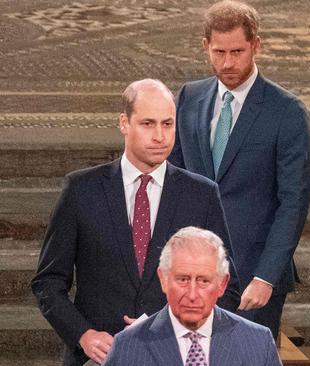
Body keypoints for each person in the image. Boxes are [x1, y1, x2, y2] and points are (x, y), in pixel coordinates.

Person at [31, 79, 240, 366]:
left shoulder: (201, 195)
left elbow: (227, 289)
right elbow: (48, 282)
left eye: (167, 124)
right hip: (96, 358)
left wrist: (173, 330)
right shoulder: (81, 190)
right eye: (147, 124)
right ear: (124, 123)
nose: (159, 136)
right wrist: (83, 335)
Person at [168, 0, 310, 340]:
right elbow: (173, 182)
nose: (228, 62)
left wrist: (266, 277)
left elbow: (294, 201)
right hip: (194, 277)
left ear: (256, 46)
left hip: (254, 279)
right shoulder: (189, 97)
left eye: (238, 51)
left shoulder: (287, 111)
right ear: (205, 46)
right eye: (219, 52)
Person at [104, 227, 281, 365]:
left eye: (204, 281)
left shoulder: (258, 342)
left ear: (222, 284)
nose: (192, 294)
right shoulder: (127, 345)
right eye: (183, 279)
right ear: (163, 280)